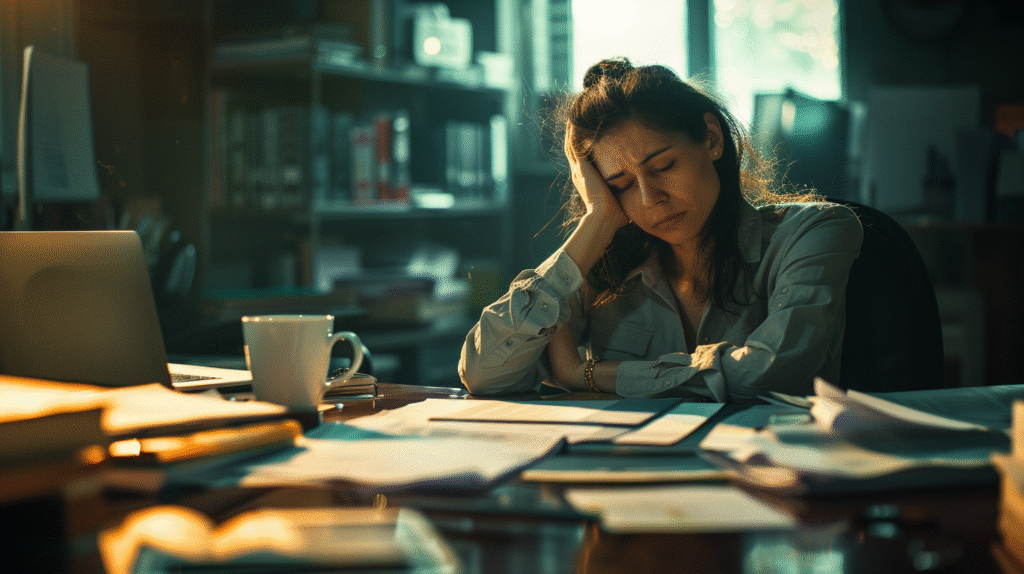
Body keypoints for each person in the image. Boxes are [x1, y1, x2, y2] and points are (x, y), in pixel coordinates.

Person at [459, 58, 863, 401]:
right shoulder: (604, 263)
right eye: (622, 186)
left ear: (711, 138)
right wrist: (596, 220)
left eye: (663, 166)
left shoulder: (816, 232)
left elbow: (773, 373)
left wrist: (583, 374)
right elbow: (483, 374)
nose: (651, 199)